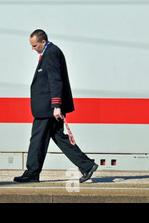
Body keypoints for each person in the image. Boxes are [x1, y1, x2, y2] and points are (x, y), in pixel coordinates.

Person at [14, 29, 98, 183]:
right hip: (49, 107)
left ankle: (32, 172)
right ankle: (86, 165)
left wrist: (56, 105)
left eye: (34, 45)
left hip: (48, 108)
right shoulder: (50, 51)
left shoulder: (51, 53)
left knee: (37, 140)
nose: (33, 49)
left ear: (43, 42)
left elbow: (55, 80)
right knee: (60, 138)